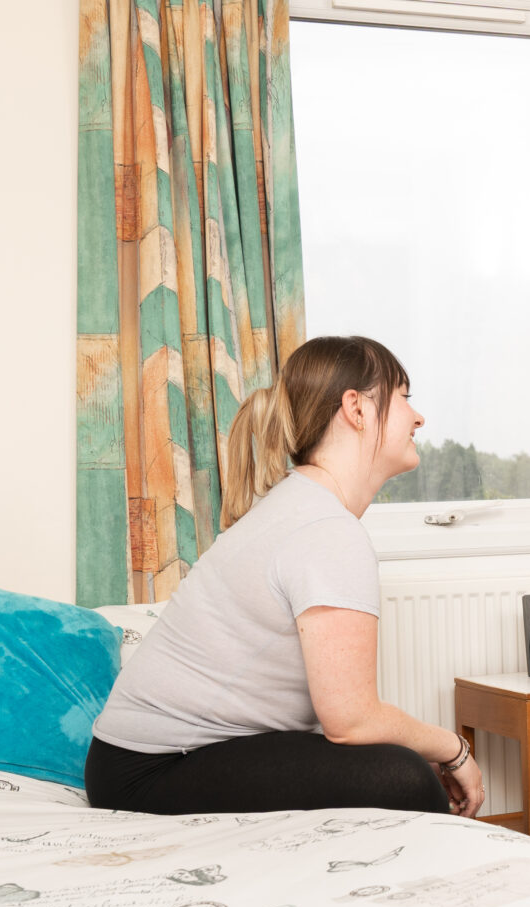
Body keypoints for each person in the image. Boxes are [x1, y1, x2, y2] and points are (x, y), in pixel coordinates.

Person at [87, 335, 487, 820]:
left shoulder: (301, 506)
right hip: (148, 773)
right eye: (404, 397)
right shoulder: (325, 529)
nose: (417, 417)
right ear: (356, 409)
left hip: (132, 765)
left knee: (398, 769)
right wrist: (453, 749)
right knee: (407, 780)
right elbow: (350, 720)